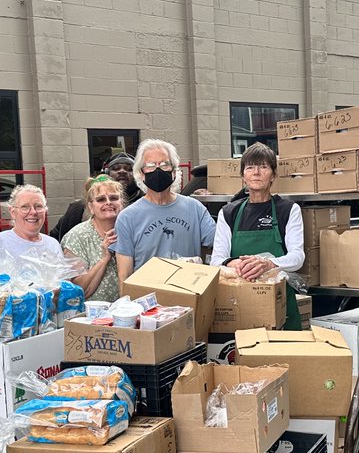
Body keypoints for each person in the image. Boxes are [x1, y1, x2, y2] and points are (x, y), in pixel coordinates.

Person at [209, 143, 304, 330]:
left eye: (263, 167)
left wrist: (268, 264)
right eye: (250, 167)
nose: (256, 172)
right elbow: (216, 261)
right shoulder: (229, 212)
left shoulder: (289, 210)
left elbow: (298, 257)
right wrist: (238, 264)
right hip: (239, 305)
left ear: (273, 175)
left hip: (280, 301)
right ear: (243, 176)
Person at [114, 139, 215, 280]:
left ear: (174, 171)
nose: (158, 169)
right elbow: (124, 273)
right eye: (150, 165)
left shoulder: (195, 208)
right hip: (147, 297)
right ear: (141, 173)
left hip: (188, 292)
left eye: (164, 164)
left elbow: (218, 245)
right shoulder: (127, 217)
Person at [50, 153, 141, 241]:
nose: (122, 171)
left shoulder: (145, 206)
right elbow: (56, 240)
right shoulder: (78, 209)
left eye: (129, 169)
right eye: (116, 168)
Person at [61, 175, 123, 301]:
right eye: (100, 199)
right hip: (92, 315)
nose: (108, 202)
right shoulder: (77, 237)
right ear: (91, 207)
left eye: (113, 198)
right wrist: (104, 259)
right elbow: (78, 291)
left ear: (121, 203)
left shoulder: (129, 231)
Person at [0, 184, 64, 259]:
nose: (33, 212)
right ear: (13, 212)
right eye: (25, 207)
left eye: (38, 206)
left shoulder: (52, 245)